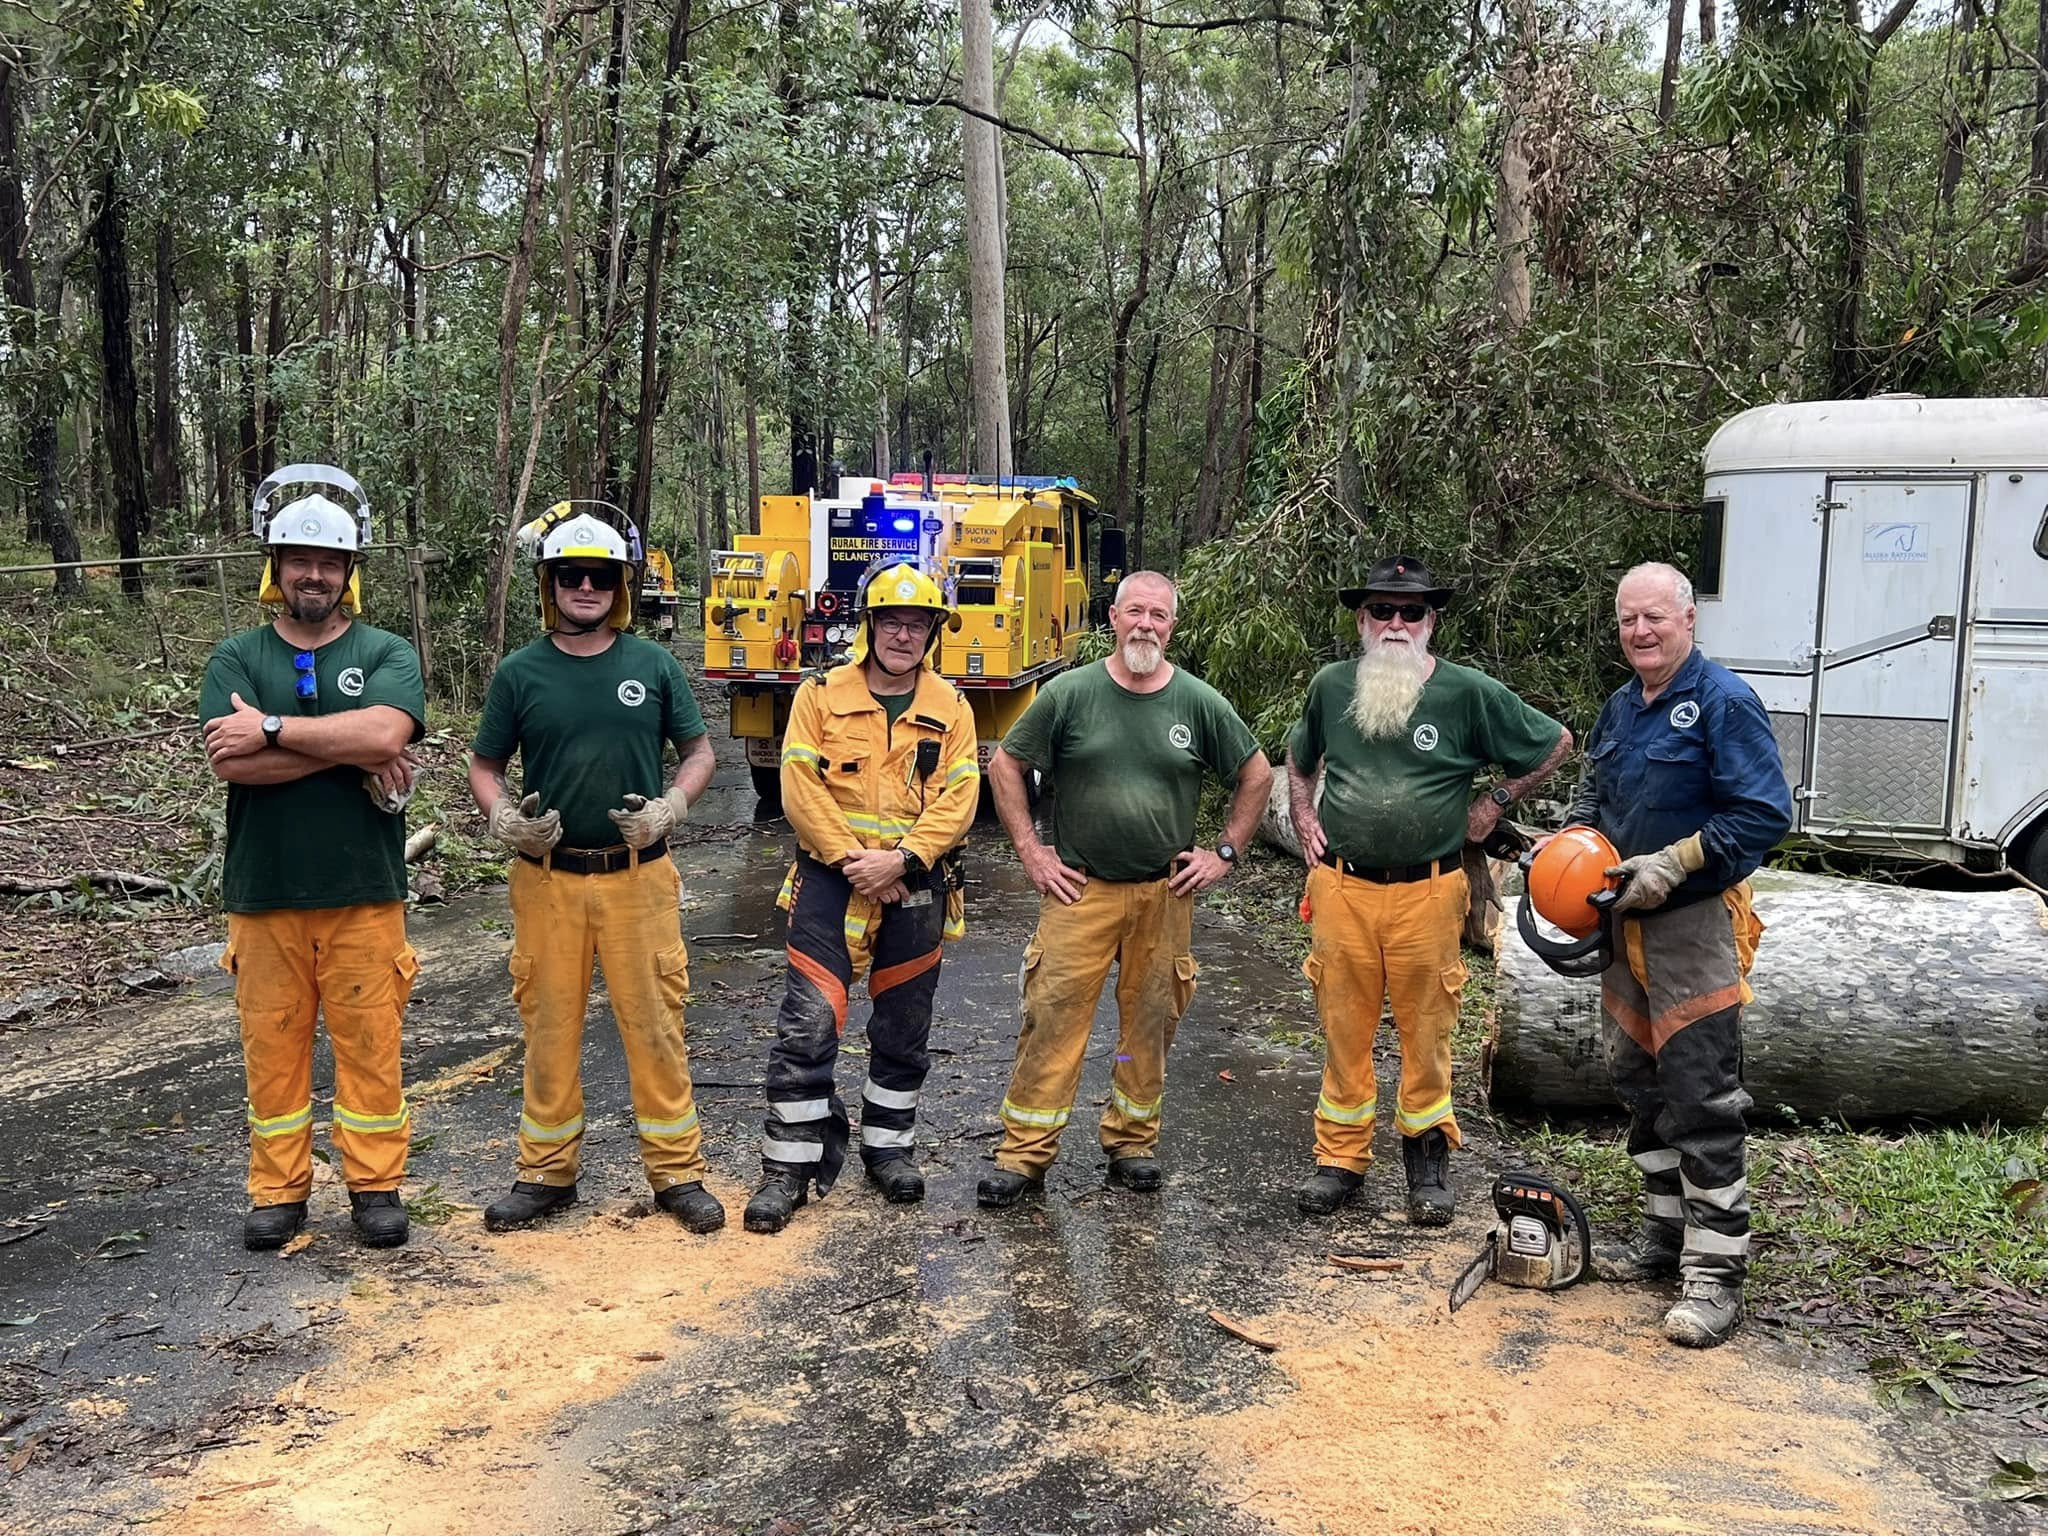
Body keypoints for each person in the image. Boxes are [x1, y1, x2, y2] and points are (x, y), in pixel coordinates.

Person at [1286, 554, 1571, 1224]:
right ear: (1361, 619)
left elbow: (1554, 743)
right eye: (1381, 609)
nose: (1395, 622)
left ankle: (1427, 1163)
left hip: (1430, 890)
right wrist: (1302, 814)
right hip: (1343, 889)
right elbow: (1299, 762)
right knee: (1344, 1028)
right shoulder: (1332, 687)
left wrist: (1495, 801)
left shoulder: (1467, 693)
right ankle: (1340, 1163)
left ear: (1430, 622)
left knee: (1428, 1030)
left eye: (1410, 611)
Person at [978, 571, 1272, 1206]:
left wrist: (1225, 852)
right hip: (1078, 893)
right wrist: (1032, 851)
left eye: (1159, 616)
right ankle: (1024, 1155)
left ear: (1172, 627)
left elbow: (1256, 772)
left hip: (1164, 896)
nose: (1146, 624)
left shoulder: (1199, 703)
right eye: (1134, 612)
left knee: (1149, 1024)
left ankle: (1132, 1142)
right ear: (1112, 618)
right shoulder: (1070, 694)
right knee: (1052, 1018)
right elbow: (1005, 762)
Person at [468, 507, 722, 1234]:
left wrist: (672, 807)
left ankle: (676, 1172)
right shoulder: (521, 673)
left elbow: (699, 753)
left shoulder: (653, 665)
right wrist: (504, 818)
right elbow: (484, 766)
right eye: (571, 575)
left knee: (656, 1025)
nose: (586, 586)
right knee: (549, 1025)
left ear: (621, 587)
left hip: (638, 877)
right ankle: (546, 1173)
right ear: (550, 585)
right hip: (547, 880)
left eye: (601, 577)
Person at [1568, 560, 1792, 1348]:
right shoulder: (1623, 708)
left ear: (1688, 619)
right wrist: (1574, 845)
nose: (1640, 632)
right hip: (1623, 925)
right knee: (1638, 1082)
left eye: (1654, 617)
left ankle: (1716, 1276)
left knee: (1701, 1094)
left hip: (1693, 927)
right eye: (1629, 620)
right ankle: (1666, 1239)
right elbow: (1593, 795)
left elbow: (1766, 814)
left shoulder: (1726, 703)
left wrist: (1678, 861)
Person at [201, 483, 426, 1251]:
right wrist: (345, 751)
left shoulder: (385, 652)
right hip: (262, 894)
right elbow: (233, 767)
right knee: (272, 1051)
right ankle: (279, 1191)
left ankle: (375, 1187)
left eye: (329, 563)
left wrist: (269, 728)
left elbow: (388, 732)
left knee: (371, 1049)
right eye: (299, 560)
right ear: (277, 567)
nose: (314, 576)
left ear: (348, 572)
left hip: (364, 891)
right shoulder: (237, 654)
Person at [743, 561, 980, 1234]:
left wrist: (903, 859)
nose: (904, 635)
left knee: (904, 1025)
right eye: (893, 621)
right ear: (869, 626)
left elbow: (959, 800)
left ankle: (889, 1149)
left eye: (918, 623)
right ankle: (787, 1168)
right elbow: (798, 787)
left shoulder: (952, 707)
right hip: (831, 880)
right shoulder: (819, 694)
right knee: (809, 1024)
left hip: (915, 884)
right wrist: (857, 862)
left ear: (933, 632)